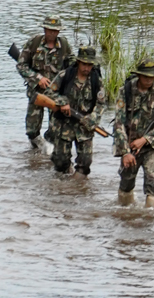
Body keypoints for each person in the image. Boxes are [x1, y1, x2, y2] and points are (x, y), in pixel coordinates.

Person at [113, 59, 154, 209]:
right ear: (138, 76)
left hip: (151, 146)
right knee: (126, 183)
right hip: (129, 146)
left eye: (152, 77)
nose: (149, 80)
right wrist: (125, 152)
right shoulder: (125, 91)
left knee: (153, 185)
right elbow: (118, 124)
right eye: (146, 77)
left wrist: (145, 140)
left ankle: (151, 220)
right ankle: (125, 214)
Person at [45, 46, 106, 177]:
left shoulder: (96, 81)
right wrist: (62, 102)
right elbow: (48, 93)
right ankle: (65, 178)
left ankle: (77, 188)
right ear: (78, 62)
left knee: (85, 162)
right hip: (64, 124)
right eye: (84, 64)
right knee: (60, 162)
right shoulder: (65, 75)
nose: (87, 68)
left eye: (90, 65)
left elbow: (101, 104)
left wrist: (93, 117)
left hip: (84, 126)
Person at [16, 15, 73, 150]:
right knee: (32, 129)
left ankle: (48, 149)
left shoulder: (64, 45)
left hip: (55, 93)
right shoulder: (34, 43)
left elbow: (71, 67)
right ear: (45, 29)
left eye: (55, 30)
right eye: (49, 30)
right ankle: (35, 152)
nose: (52, 33)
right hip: (36, 92)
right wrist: (37, 78)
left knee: (55, 128)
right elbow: (21, 65)